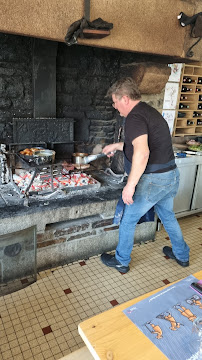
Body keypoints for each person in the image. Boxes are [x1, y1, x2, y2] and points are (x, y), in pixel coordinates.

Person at [100, 77, 190, 273]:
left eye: (115, 102)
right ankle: (182, 255)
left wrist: (130, 186)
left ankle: (121, 261)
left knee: (128, 220)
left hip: (153, 180)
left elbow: (142, 152)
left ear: (124, 98)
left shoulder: (133, 118)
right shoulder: (148, 112)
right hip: (170, 176)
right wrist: (116, 146)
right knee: (167, 216)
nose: (115, 107)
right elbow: (142, 145)